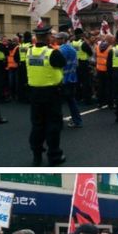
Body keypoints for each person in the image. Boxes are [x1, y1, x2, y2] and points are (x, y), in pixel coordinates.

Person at [26, 25, 67, 166]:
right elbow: (63, 63)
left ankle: (36, 156)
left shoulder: (29, 51)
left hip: (35, 93)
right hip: (51, 93)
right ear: (49, 37)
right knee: (53, 125)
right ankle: (54, 155)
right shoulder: (52, 53)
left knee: (37, 125)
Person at [55, 32, 83, 128]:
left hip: (63, 79)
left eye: (58, 38)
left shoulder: (61, 50)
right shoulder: (72, 49)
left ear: (63, 39)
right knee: (71, 101)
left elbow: (57, 65)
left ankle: (59, 123)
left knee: (58, 102)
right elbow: (77, 64)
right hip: (72, 78)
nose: (56, 40)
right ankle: (77, 121)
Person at [71, 28, 94, 104]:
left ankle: (78, 97)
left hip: (75, 64)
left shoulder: (72, 43)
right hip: (83, 64)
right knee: (86, 82)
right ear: (80, 34)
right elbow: (90, 53)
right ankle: (87, 99)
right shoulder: (83, 44)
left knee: (77, 82)